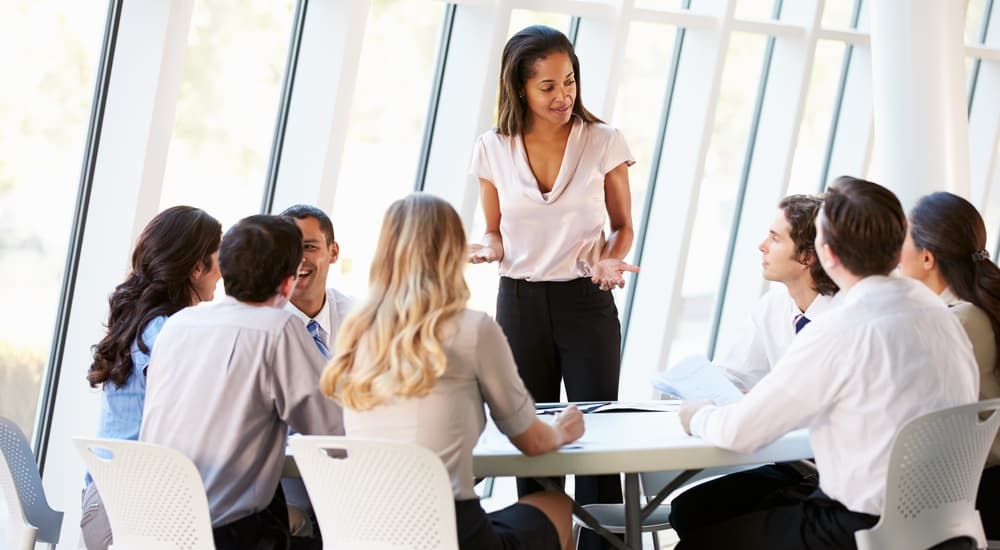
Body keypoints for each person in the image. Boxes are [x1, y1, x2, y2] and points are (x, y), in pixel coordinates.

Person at [671, 176, 979, 549]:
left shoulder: (841, 327)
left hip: (860, 528)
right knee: (705, 511)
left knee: (697, 542)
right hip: (945, 524)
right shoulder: (937, 312)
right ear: (898, 247)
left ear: (826, 255)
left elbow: (740, 432)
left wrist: (697, 415)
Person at [322, 193, 583, 550]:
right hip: (452, 534)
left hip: (370, 535)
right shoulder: (471, 329)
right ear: (451, 251)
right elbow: (532, 441)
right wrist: (561, 432)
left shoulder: (355, 331)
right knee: (557, 505)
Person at [468, 25, 636, 547]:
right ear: (520, 88)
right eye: (548, 87)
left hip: (586, 302)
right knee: (530, 439)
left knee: (598, 439)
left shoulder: (603, 140)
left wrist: (610, 262)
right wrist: (490, 247)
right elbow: (495, 230)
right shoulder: (492, 148)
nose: (564, 96)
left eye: (569, 82)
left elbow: (622, 226)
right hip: (517, 303)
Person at [140, 214, 343, 550]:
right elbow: (333, 431)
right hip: (224, 535)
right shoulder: (277, 329)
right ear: (288, 282)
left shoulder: (180, 323)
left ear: (224, 268)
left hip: (156, 526)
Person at [80, 205, 222, 550]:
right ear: (197, 267)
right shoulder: (167, 332)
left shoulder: (144, 324)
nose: (223, 271)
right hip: (132, 515)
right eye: (220, 258)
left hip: (104, 504)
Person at [898, 191, 1000, 539]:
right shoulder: (977, 309)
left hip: (974, 496)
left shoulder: (954, 322)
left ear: (927, 258)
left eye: (903, 239)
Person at [279, 204, 354, 538]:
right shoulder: (264, 326)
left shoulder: (362, 318)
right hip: (290, 471)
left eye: (309, 247)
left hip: (357, 462)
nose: (299, 260)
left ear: (333, 251)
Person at [716, 194, 840, 390]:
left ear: (807, 256)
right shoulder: (772, 306)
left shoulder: (847, 319)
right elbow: (733, 376)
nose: (762, 246)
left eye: (775, 238)